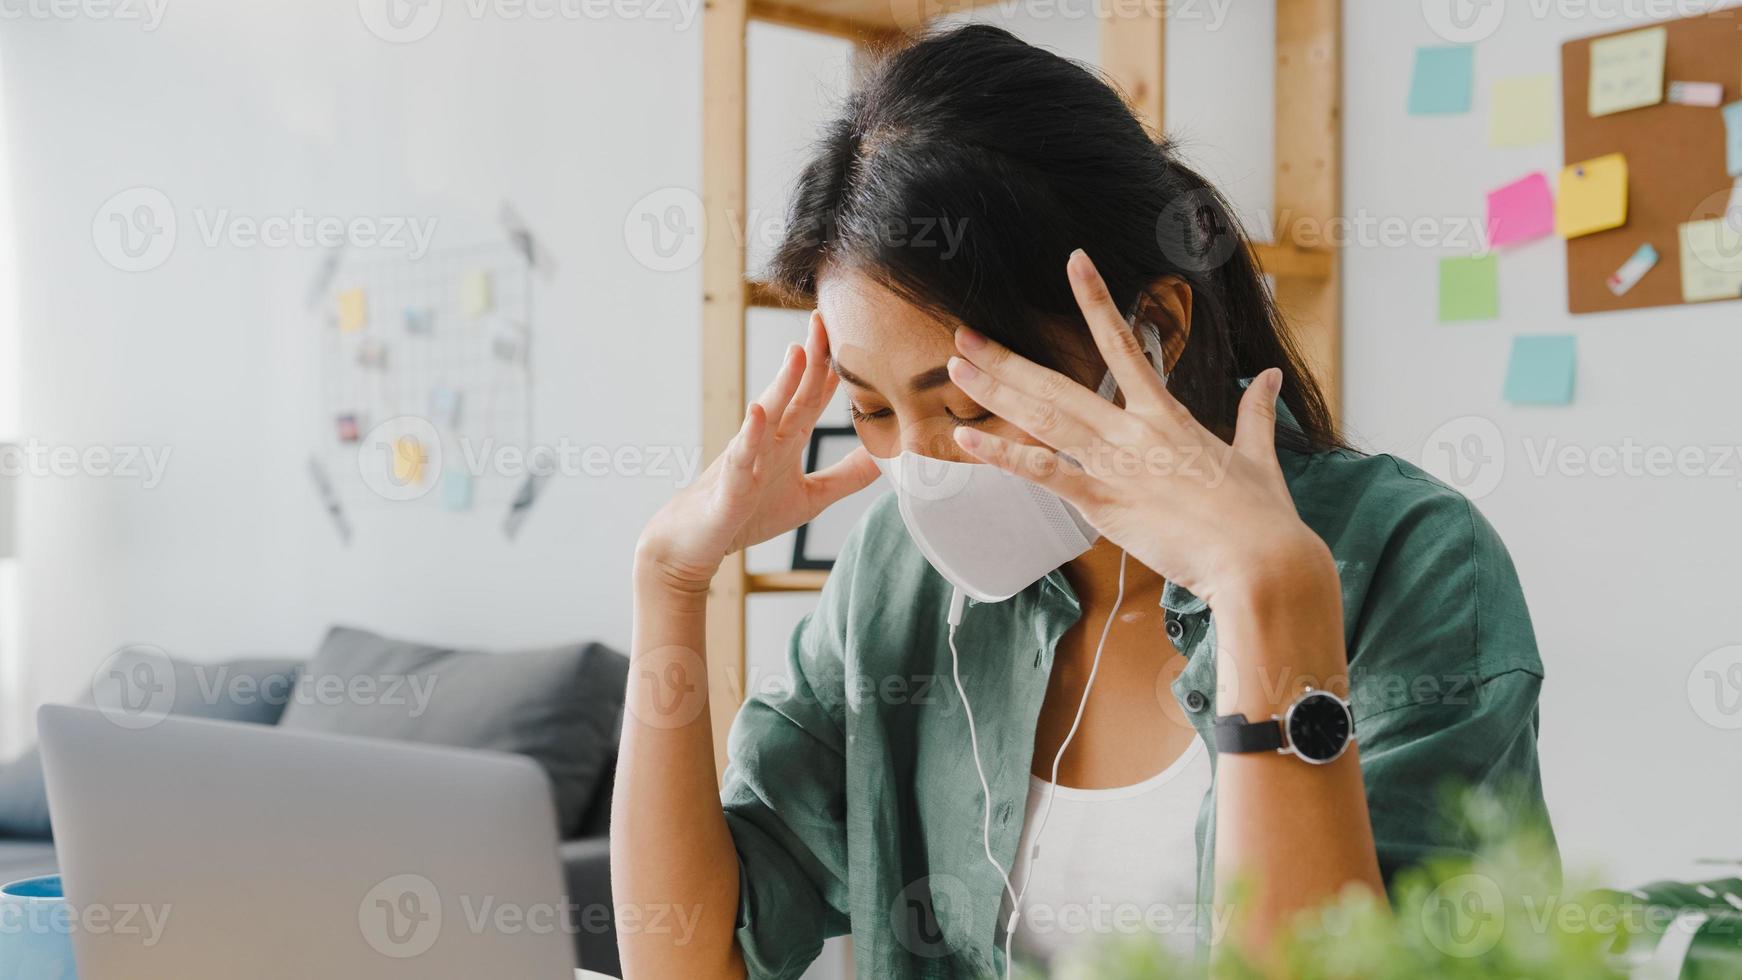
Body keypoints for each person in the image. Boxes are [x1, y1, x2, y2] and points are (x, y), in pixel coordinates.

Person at [613, 24, 1553, 980]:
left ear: (1151, 329)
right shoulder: (896, 575)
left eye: (970, 402)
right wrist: (668, 580)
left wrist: (1269, 596)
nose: (926, 464)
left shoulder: (1411, 558)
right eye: (870, 409)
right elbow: (685, 959)